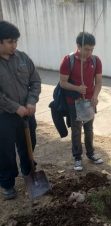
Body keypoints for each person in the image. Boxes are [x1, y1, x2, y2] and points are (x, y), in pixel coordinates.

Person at [0, 21, 41, 200]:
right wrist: (15, 107)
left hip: (27, 113)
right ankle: (7, 183)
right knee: (5, 151)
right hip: (4, 117)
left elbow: (35, 81)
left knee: (29, 144)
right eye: (10, 41)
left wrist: (31, 102)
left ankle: (29, 173)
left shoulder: (23, 58)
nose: (14, 45)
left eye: (16, 41)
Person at [59, 32, 103, 171]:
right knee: (76, 130)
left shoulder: (95, 60)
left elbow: (99, 82)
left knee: (89, 129)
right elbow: (63, 83)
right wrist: (77, 88)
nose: (89, 52)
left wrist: (95, 96)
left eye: (91, 49)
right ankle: (77, 157)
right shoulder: (68, 60)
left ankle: (91, 153)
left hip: (90, 101)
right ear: (78, 46)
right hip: (74, 102)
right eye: (86, 49)